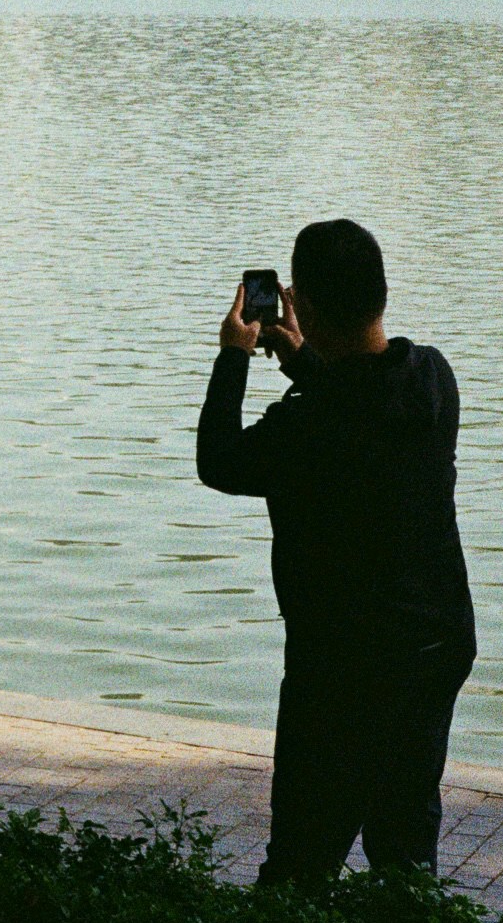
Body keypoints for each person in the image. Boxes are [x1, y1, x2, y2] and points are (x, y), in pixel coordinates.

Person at [196, 219, 476, 884]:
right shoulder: (431, 380)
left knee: (300, 861)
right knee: (404, 852)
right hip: (433, 647)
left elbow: (219, 462)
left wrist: (233, 354)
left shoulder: (302, 427)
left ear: (304, 305)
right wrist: (303, 358)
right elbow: (365, 402)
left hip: (341, 667)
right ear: (379, 294)